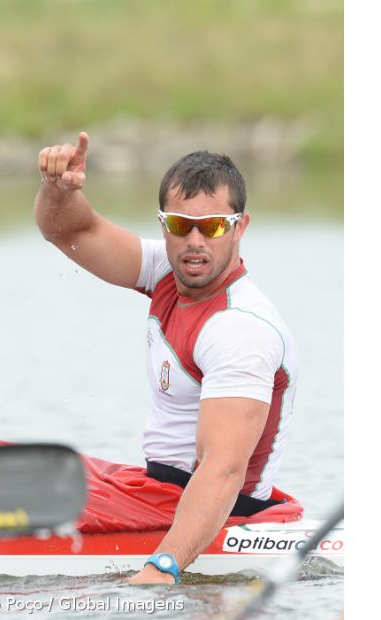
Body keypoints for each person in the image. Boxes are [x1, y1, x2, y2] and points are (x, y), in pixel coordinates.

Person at [34, 132, 300, 585]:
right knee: (8, 462)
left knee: (4, 484)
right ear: (163, 226)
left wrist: (166, 564)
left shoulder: (240, 329)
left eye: (213, 225)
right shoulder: (166, 268)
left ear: (240, 226)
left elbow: (223, 469)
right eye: (180, 225)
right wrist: (60, 191)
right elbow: (73, 231)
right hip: (155, 489)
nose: (195, 240)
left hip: (211, 505)